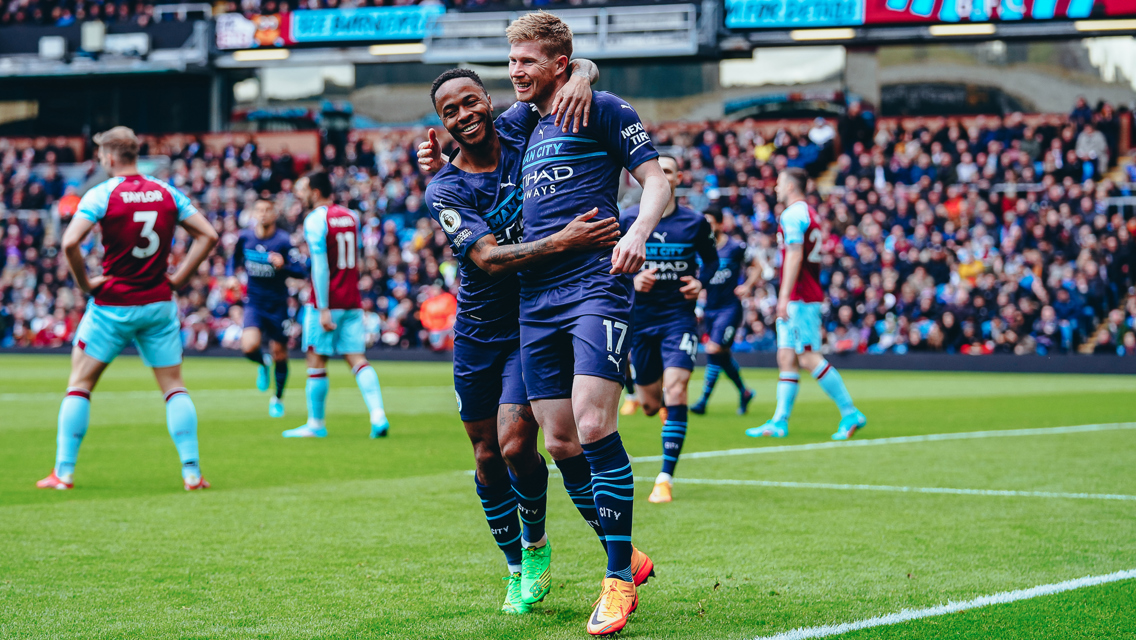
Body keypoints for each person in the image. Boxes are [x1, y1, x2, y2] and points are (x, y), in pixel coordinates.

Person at [419, 64, 619, 615]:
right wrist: (562, 240)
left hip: (532, 319)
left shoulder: (516, 125)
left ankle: (536, 551)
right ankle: (517, 564)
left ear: (489, 99)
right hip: (479, 331)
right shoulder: (446, 187)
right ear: (441, 125)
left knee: (515, 443)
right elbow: (485, 259)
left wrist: (583, 75)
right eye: (450, 111)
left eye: (470, 101)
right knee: (486, 456)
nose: (464, 115)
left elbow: (562, 66)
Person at [506, 12, 670, 635]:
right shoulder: (523, 122)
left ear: (559, 64)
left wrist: (638, 231)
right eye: (513, 60)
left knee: (596, 421)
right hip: (534, 294)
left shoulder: (602, 108)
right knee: (558, 440)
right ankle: (628, 554)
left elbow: (653, 181)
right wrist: (436, 145)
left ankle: (616, 582)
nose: (515, 72)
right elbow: (472, 129)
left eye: (526, 62)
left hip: (595, 283)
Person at [36, 126, 219, 491]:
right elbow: (209, 235)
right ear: (136, 154)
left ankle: (64, 473)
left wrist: (85, 283)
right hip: (158, 303)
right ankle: (192, 473)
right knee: (174, 387)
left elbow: (70, 242)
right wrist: (180, 277)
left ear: (107, 156)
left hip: (113, 304)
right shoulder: (167, 191)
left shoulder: (102, 193)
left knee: (80, 385)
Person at [620, 155, 718, 504]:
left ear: (677, 179)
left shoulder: (694, 223)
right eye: (656, 169)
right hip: (641, 321)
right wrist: (634, 278)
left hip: (679, 318)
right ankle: (659, 408)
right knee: (649, 404)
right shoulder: (628, 219)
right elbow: (608, 264)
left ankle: (665, 478)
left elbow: (713, 261)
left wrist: (700, 282)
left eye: (669, 171)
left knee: (677, 390)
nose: (662, 175)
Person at [747, 168, 867, 441]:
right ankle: (779, 421)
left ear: (790, 186)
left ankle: (850, 413)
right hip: (803, 295)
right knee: (786, 358)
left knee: (808, 356)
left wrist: (784, 296)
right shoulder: (810, 213)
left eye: (779, 183)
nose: (775, 188)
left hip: (800, 298)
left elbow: (794, 256)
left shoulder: (792, 214)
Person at [283, 170, 389, 439]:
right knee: (357, 359)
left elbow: (320, 266)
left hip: (327, 302)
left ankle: (315, 424)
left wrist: (323, 307)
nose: (302, 195)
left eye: (305, 189)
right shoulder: (351, 216)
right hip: (351, 299)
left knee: (316, 360)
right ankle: (378, 415)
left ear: (316, 192)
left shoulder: (315, 219)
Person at [229, 198, 306, 417]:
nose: (263, 214)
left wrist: (284, 265)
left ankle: (278, 399)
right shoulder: (245, 237)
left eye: (267, 210)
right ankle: (263, 363)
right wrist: (231, 277)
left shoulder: (283, 241)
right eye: (259, 210)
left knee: (281, 355)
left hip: (278, 304)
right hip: (254, 302)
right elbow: (232, 262)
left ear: (274, 214)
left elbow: (301, 271)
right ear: (254, 213)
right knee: (248, 347)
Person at [691, 208, 755, 415]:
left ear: (720, 224)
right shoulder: (702, 249)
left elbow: (758, 265)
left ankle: (703, 401)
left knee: (713, 349)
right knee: (723, 356)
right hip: (710, 308)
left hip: (730, 308)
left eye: (710, 222)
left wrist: (747, 285)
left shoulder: (736, 247)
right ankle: (745, 392)